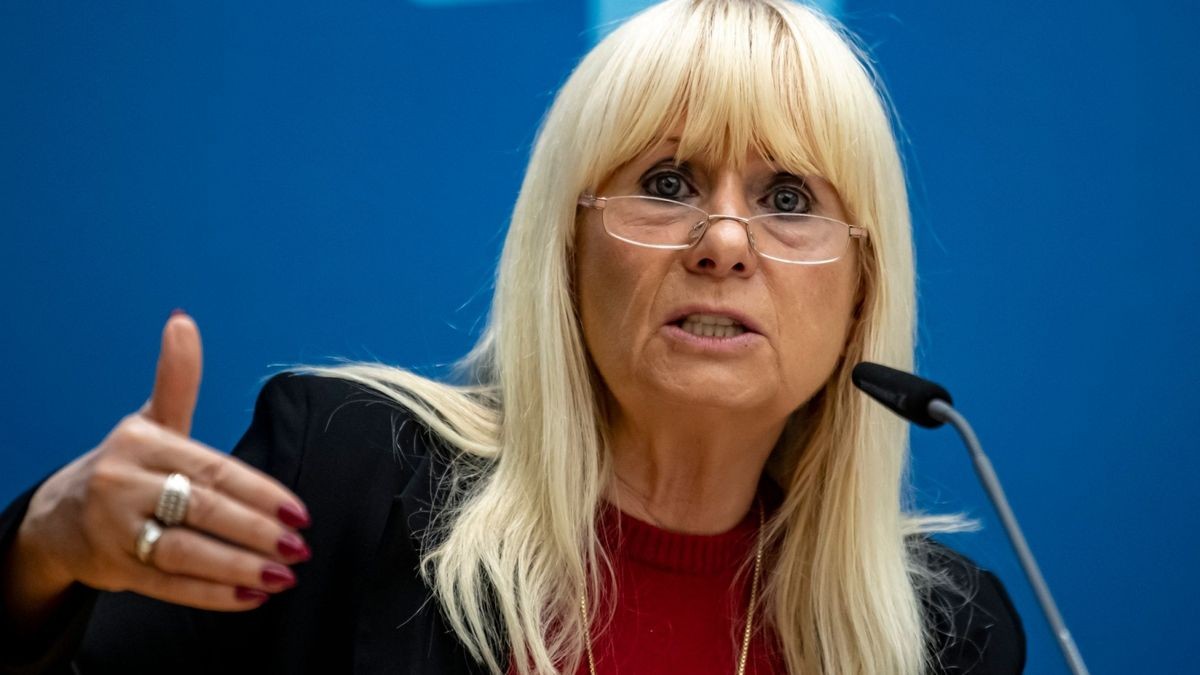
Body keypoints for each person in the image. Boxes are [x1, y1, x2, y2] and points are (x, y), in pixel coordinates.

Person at [0, 0, 1026, 673]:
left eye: (788, 197)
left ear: (862, 289)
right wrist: (42, 557)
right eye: (665, 184)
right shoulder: (345, 482)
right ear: (565, 251)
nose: (721, 241)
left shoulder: (952, 638)